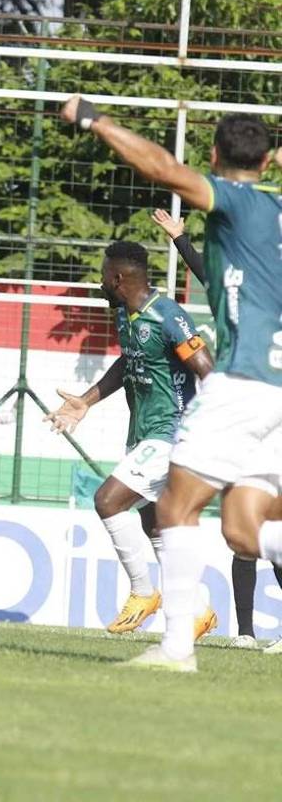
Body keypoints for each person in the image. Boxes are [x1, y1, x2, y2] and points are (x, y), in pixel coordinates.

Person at [60, 99, 282, 672]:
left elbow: (160, 168)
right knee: (242, 527)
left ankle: (177, 648)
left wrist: (94, 119)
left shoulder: (238, 201)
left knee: (173, 510)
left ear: (214, 157)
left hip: (245, 380)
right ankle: (178, 640)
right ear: (272, 158)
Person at [46, 241, 216, 640]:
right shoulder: (126, 313)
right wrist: (86, 401)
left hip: (172, 433)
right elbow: (129, 361)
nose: (100, 281)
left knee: (107, 500)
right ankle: (198, 609)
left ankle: (143, 592)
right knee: (152, 522)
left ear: (119, 278)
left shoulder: (167, 315)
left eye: (104, 274)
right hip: (143, 434)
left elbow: (207, 370)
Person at [151, 208, 282, 650]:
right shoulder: (254, 297)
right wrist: (181, 240)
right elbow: (214, 279)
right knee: (240, 529)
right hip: (248, 417)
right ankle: (245, 632)